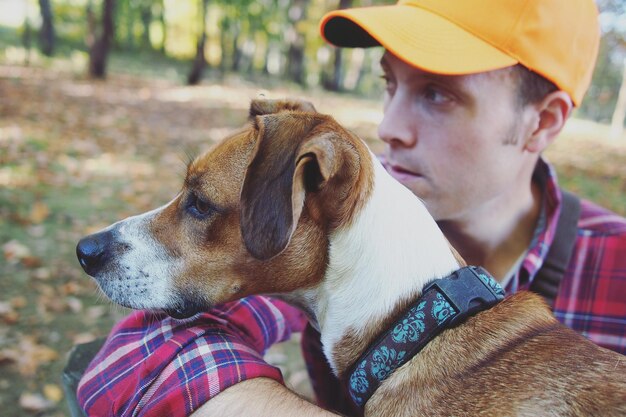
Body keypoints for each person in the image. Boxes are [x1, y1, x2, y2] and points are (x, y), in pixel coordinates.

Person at [76, 0, 626, 416]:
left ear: (542, 121)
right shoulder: (326, 220)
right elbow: (132, 353)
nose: (388, 126)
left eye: (438, 95)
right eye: (390, 84)